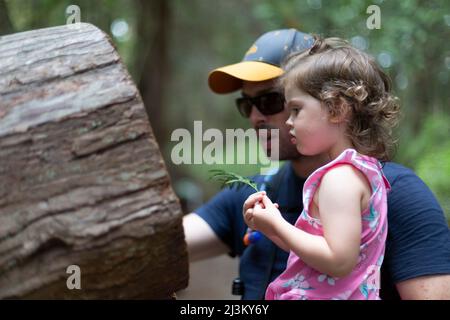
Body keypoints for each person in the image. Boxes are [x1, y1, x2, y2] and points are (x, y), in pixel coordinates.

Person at [183, 29, 450, 300]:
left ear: (334, 105)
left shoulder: (399, 194)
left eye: (271, 100)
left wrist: (276, 226)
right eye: (246, 104)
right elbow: (160, 242)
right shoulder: (254, 191)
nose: (254, 117)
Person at [243, 37, 398, 300]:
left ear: (336, 109)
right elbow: (317, 253)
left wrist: (279, 225)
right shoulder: (362, 170)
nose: (289, 122)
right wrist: (270, 227)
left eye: (296, 110)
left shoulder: (339, 179)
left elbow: (338, 261)